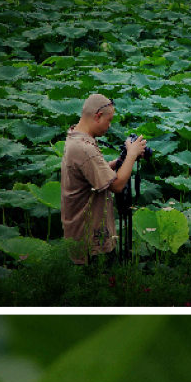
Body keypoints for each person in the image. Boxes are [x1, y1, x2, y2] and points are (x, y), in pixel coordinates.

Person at [60, 94, 148, 265]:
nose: (110, 126)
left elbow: (91, 173)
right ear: (98, 116)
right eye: (109, 120)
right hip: (89, 240)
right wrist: (131, 154)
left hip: (81, 233)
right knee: (98, 285)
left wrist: (119, 162)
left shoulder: (75, 136)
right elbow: (116, 185)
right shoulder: (85, 148)